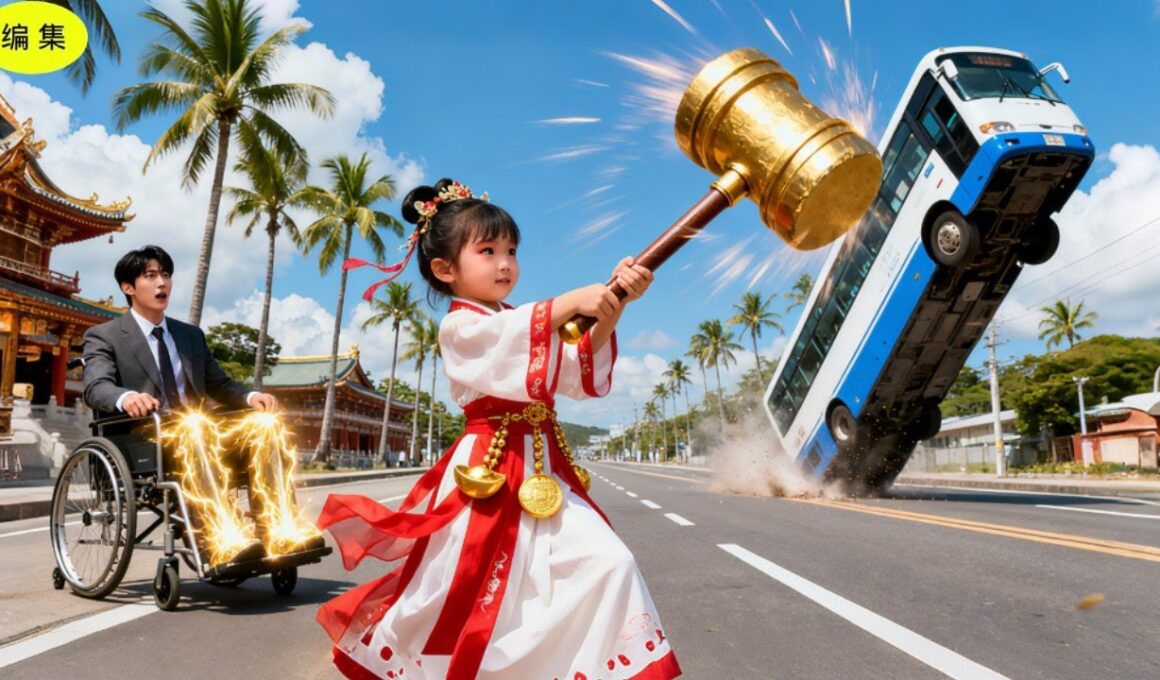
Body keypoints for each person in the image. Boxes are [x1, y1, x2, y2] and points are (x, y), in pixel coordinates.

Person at [317, 179, 681, 679]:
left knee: (608, 562)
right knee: (478, 592)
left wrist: (612, 309)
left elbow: (569, 374)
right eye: (487, 250)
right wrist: (574, 301)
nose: (505, 262)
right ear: (445, 270)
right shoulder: (462, 326)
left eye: (510, 249)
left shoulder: (521, 321)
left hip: (542, 467)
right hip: (487, 469)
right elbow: (515, 338)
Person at [82, 245, 315, 567]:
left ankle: (279, 530)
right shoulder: (104, 336)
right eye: (150, 276)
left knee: (265, 426)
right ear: (128, 287)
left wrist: (250, 397)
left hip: (203, 430)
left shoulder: (189, 336)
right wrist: (126, 397)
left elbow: (219, 384)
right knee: (195, 427)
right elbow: (97, 387)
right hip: (147, 436)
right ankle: (221, 539)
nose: (162, 283)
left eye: (166, 275)